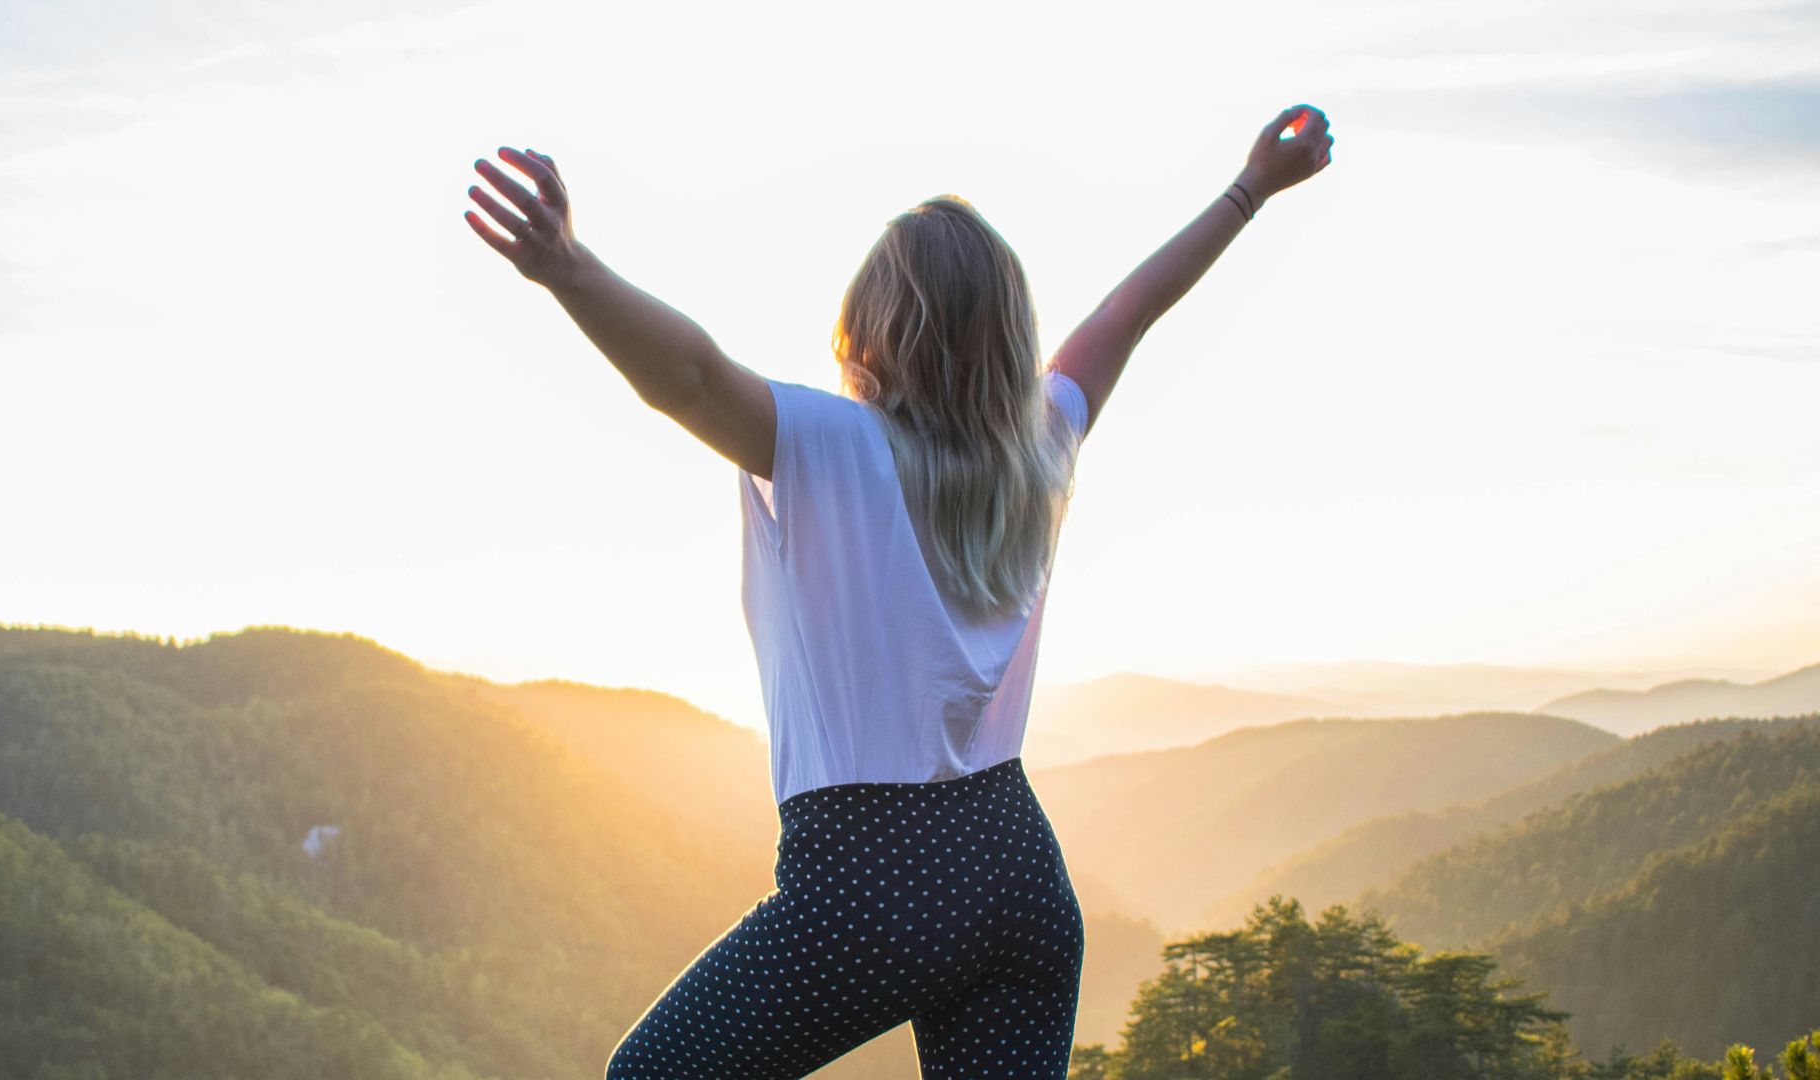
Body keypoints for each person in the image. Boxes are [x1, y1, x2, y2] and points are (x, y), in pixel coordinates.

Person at [463, 103, 1334, 1079]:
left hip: (872, 881)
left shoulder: (835, 448)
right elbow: (1124, 315)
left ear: (869, 332)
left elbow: (692, 376)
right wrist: (1250, 189)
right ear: (1007, 342)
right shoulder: (1040, 445)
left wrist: (569, 270)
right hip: (1018, 875)